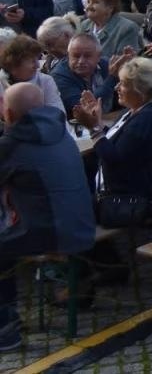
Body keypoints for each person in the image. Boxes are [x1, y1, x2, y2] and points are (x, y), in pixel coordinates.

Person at [0, 82, 96, 353]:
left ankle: (5, 330)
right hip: (81, 223)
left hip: (54, 231)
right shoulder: (59, 130)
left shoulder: (13, 142)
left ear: (8, 112)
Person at [78, 54, 152, 226]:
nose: (117, 87)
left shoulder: (147, 118)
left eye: (122, 84)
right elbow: (122, 142)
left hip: (129, 201)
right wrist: (98, 123)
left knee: (71, 213)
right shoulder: (136, 111)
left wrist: (94, 129)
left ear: (139, 90)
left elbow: (114, 159)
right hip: (122, 193)